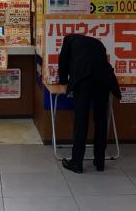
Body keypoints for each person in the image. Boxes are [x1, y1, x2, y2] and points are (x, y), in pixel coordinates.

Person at [57, 34, 121, 173]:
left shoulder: (68, 40)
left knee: (81, 120)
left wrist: (63, 82)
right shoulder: (97, 43)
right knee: (101, 120)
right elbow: (102, 62)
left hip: (83, 81)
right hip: (103, 80)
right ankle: (99, 162)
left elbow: (63, 61)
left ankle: (77, 163)